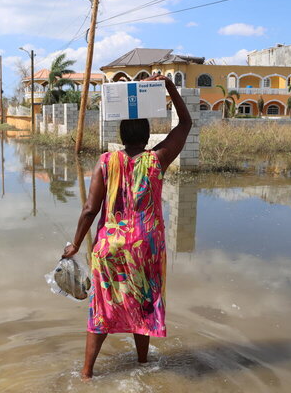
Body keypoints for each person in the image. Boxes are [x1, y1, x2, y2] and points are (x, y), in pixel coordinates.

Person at [62, 75, 192, 379]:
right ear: (147, 135)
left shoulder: (106, 162)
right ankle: (143, 365)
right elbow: (185, 124)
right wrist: (169, 87)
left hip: (110, 248)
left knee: (102, 309)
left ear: (121, 134)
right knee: (143, 303)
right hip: (145, 249)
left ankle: (86, 373)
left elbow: (89, 209)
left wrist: (76, 244)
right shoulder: (156, 160)